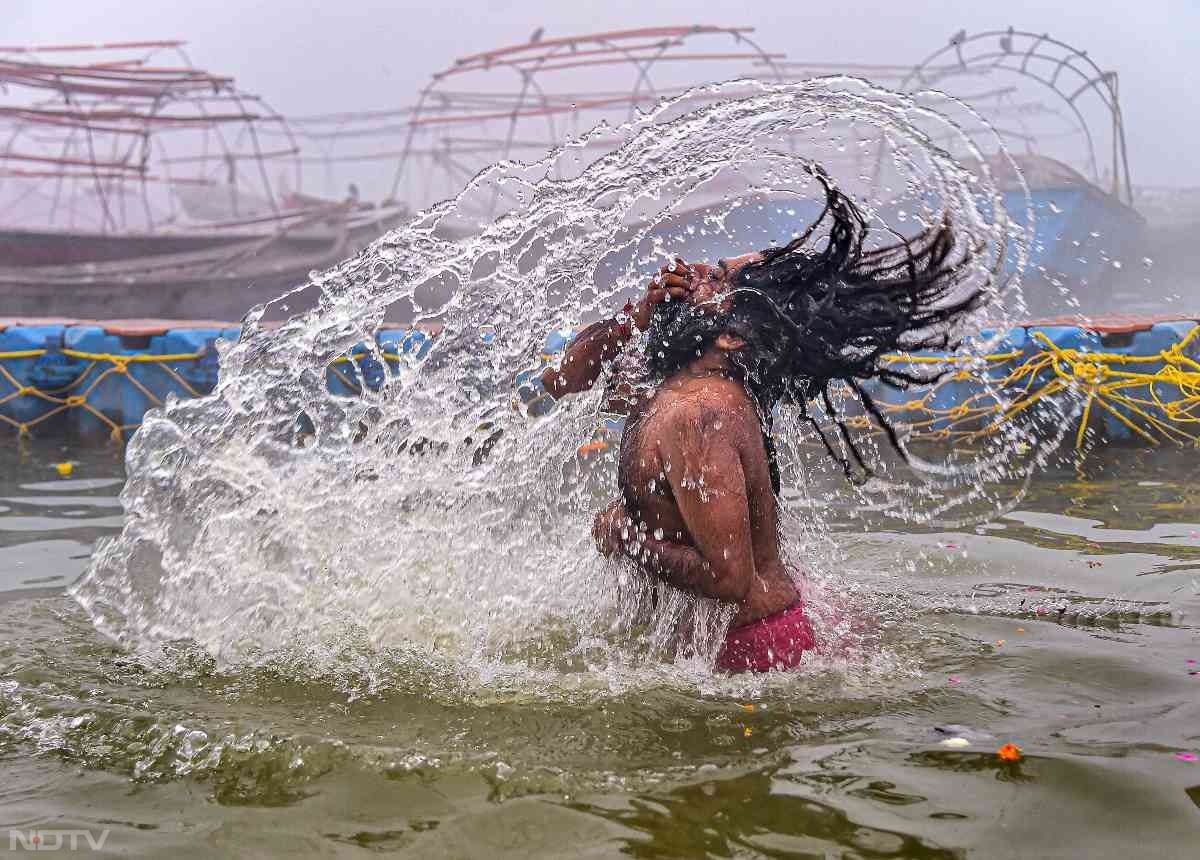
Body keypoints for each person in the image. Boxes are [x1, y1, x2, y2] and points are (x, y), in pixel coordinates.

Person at [541, 169, 988, 672]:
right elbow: (562, 380)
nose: (695, 274)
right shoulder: (678, 384)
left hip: (754, 649)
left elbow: (730, 578)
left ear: (731, 336)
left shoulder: (701, 412)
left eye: (717, 280)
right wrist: (636, 317)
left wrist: (623, 537)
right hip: (759, 637)